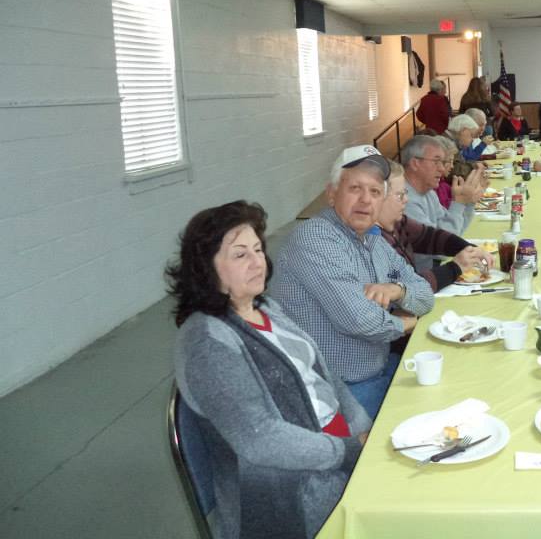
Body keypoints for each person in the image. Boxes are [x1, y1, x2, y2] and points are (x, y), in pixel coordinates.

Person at [170, 200, 373, 539]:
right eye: (240, 255)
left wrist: (363, 430)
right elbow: (260, 439)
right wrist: (349, 451)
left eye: (258, 250)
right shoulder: (207, 343)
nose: (257, 262)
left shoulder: (267, 308)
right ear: (206, 268)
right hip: (295, 488)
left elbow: (326, 376)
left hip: (336, 450)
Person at [272, 145, 434, 419]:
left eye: (374, 191)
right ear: (332, 194)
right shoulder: (315, 238)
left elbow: (425, 295)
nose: (365, 200)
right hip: (336, 393)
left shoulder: (372, 240)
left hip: (380, 370)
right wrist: (410, 323)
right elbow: (361, 321)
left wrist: (397, 289)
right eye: (355, 188)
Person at [379, 162, 494, 291]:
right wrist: (455, 267)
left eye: (405, 192)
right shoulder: (374, 240)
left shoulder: (399, 222)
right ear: (377, 197)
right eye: (400, 195)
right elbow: (406, 290)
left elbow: (432, 237)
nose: (406, 199)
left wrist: (470, 249)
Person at [402, 134, 484, 269]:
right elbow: (440, 251)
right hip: (418, 278)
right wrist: (459, 204)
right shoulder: (405, 199)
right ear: (415, 163)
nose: (441, 168)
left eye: (443, 162)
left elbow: (455, 234)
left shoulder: (428, 193)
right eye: (436, 161)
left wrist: (469, 202)